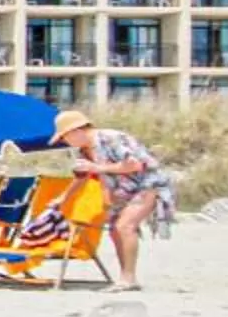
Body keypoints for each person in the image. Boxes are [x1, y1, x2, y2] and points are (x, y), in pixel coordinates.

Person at [51, 109, 177, 291]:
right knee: (115, 230)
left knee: (125, 226)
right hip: (123, 191)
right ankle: (125, 277)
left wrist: (96, 167)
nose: (65, 142)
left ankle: (129, 279)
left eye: (64, 137)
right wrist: (63, 198)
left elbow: (135, 165)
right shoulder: (85, 150)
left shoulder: (111, 138)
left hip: (148, 184)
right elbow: (81, 176)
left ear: (76, 131)